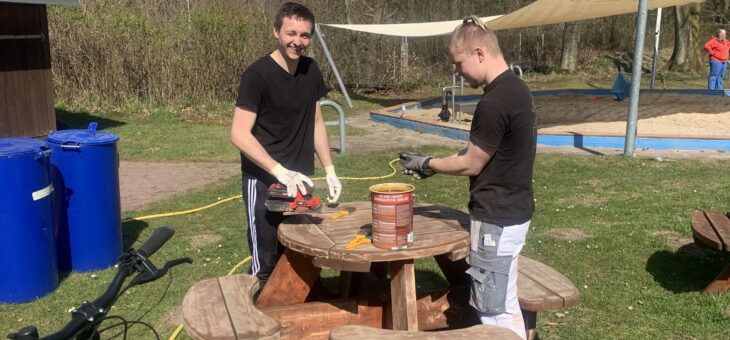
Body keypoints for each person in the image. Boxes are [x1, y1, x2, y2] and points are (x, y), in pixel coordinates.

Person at [399, 16, 536, 339]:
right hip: (512, 212)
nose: (457, 72)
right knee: (503, 299)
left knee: (493, 309)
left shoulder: (495, 102)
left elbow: (472, 163)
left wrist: (428, 163)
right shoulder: (515, 89)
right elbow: (484, 150)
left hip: (497, 217)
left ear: (479, 52)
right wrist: (436, 162)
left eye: (458, 63)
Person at [230, 2, 342, 290]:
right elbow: (239, 134)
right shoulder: (257, 75)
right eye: (291, 33)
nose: (298, 41)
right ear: (276, 32)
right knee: (266, 264)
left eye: (305, 35)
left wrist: (330, 170)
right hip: (265, 179)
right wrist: (280, 172)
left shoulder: (311, 70)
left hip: (301, 179)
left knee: (301, 252)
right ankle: (264, 317)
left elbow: (316, 122)